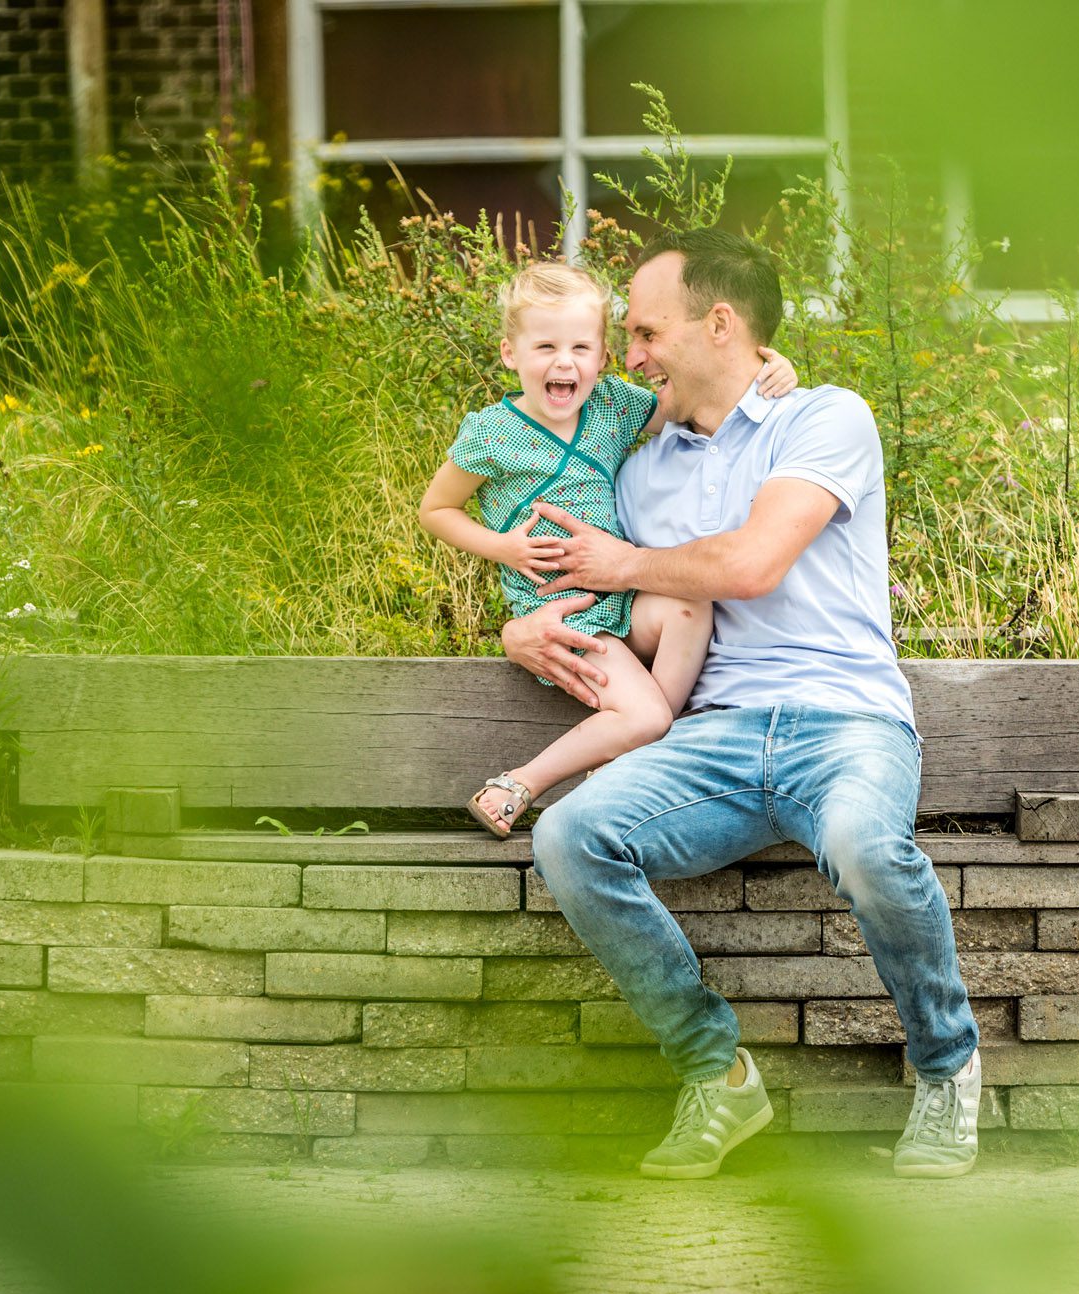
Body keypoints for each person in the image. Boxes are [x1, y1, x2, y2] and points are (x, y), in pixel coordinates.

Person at [504, 229, 983, 1179]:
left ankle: (947, 1068)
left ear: (720, 324)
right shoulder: (640, 466)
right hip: (714, 737)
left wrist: (626, 561)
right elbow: (578, 566)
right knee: (570, 837)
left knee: (862, 840)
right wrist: (527, 628)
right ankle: (717, 1076)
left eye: (644, 332)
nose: (628, 356)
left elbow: (755, 564)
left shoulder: (825, 419)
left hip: (847, 722)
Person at [418, 261, 795, 838]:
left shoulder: (613, 408)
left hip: (621, 591)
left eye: (581, 347)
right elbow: (436, 510)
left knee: (692, 605)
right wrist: (502, 547)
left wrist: (766, 365)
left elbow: (699, 396)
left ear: (600, 357)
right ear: (509, 354)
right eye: (544, 346)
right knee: (646, 713)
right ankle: (517, 783)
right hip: (563, 612)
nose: (564, 362)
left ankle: (626, 757)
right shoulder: (490, 432)